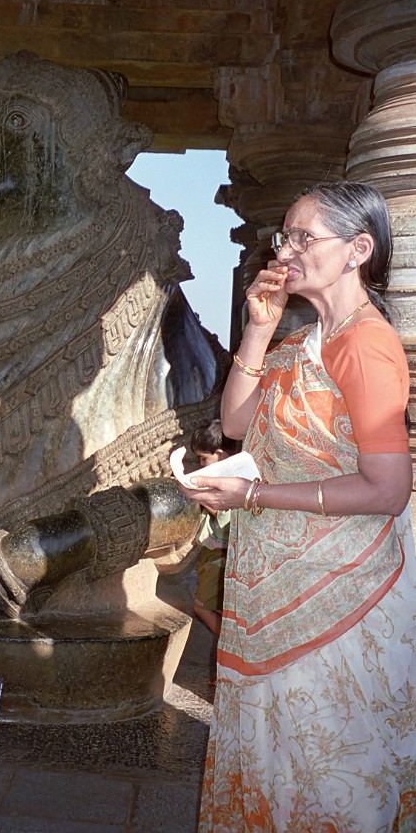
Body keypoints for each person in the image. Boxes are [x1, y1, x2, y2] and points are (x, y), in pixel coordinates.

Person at [179, 181, 416, 831]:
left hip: (342, 598)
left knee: (328, 772)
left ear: (357, 249)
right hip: (277, 584)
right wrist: (257, 328)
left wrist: (250, 493)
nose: (286, 248)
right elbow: (235, 420)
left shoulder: (366, 345)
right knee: (278, 762)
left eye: (304, 237)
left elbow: (388, 488)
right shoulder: (301, 343)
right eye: (285, 236)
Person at [190, 421, 239, 636]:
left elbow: (223, 516)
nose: (201, 464)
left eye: (203, 458)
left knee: (202, 608)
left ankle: (227, 646)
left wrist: (197, 495)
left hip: (220, 555)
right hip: (213, 554)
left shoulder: (232, 481)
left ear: (219, 454)